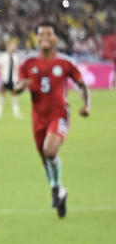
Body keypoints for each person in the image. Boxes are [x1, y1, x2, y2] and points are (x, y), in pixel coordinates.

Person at [14, 22, 90, 218]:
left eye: (49, 33)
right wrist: (20, 87)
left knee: (50, 151)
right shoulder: (28, 63)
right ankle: (58, 189)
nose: (44, 37)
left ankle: (56, 189)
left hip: (59, 114)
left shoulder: (65, 62)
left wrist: (86, 105)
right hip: (38, 117)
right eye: (41, 34)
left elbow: (82, 84)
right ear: (36, 38)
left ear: (56, 38)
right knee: (44, 157)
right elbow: (17, 86)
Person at [0, 39, 23, 119]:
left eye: (13, 46)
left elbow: (16, 68)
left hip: (13, 79)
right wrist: (1, 77)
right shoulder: (2, 56)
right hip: (5, 79)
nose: (13, 47)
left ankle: (16, 114)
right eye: (11, 46)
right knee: (1, 96)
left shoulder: (15, 56)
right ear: (8, 47)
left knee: (14, 96)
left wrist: (18, 78)